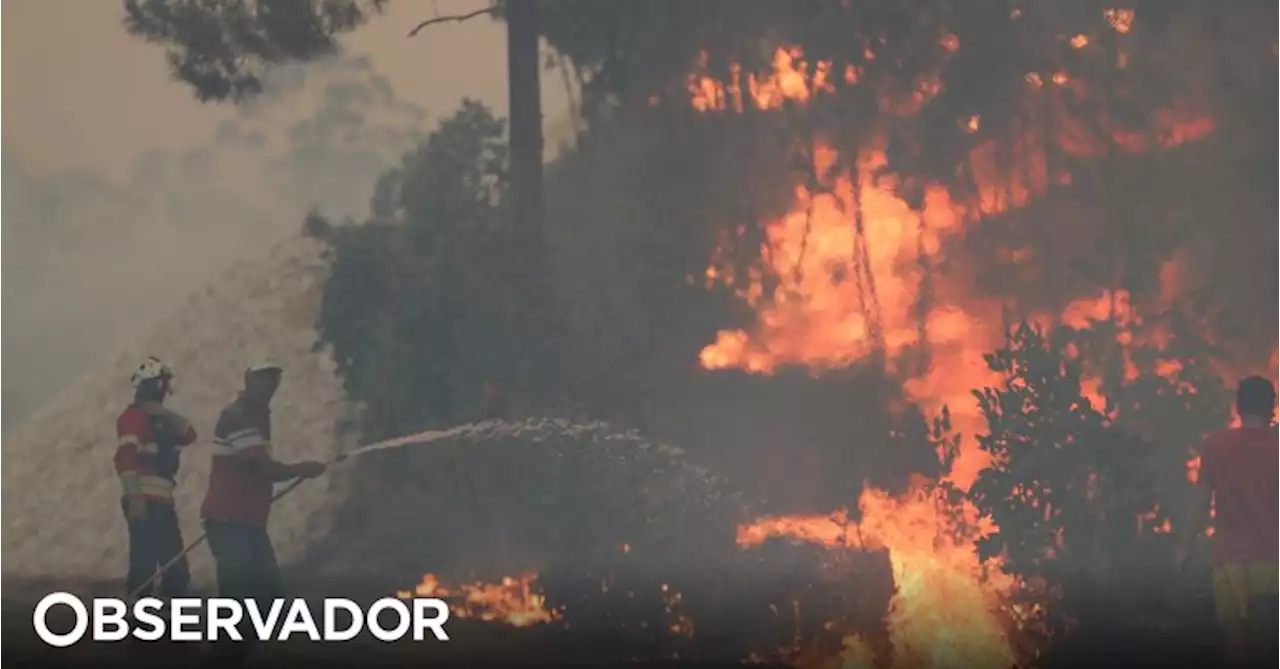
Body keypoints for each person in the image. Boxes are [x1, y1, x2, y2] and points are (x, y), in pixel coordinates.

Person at [200, 360, 327, 665]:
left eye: (273, 378)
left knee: (269, 598)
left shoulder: (257, 417)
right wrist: (304, 469)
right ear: (247, 379)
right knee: (237, 604)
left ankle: (238, 655)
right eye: (262, 377)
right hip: (229, 524)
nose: (269, 384)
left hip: (249, 524)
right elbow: (264, 468)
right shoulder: (237, 416)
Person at [1177, 375, 1280, 666]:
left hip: (1229, 561)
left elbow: (1200, 503)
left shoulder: (1215, 445)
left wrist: (1184, 547)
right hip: (1273, 562)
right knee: (1270, 649)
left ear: (1238, 407)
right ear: (1271, 407)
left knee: (1237, 649)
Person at [114, 356, 198, 601]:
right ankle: (138, 619)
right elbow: (124, 459)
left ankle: (168, 618)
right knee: (144, 568)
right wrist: (136, 498)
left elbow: (190, 434)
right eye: (162, 384)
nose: (166, 389)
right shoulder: (131, 419)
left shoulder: (161, 419)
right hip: (144, 500)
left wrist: (162, 413)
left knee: (176, 569)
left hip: (162, 501)